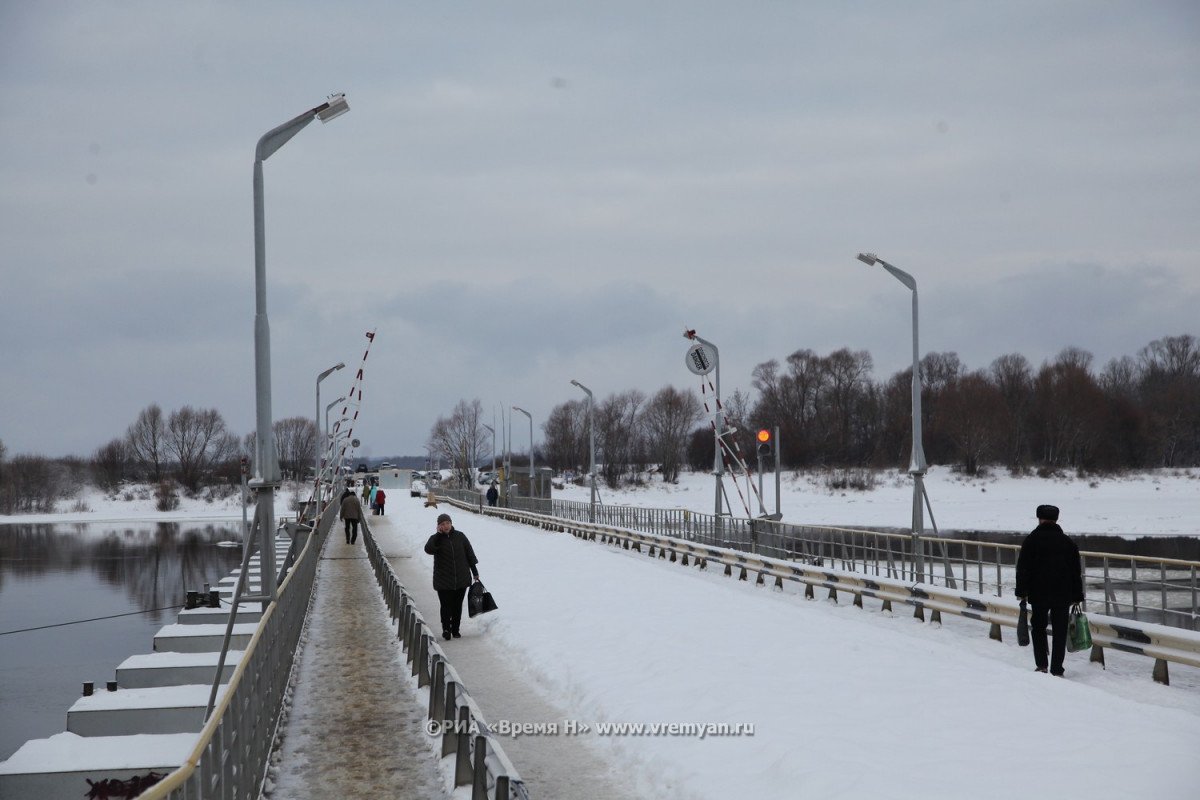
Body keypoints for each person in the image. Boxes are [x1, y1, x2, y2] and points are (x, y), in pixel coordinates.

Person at [1015, 504, 1085, 676]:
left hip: (1038, 593)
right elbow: (1076, 572)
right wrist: (1077, 595)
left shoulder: (1031, 540)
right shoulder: (1068, 543)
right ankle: (1057, 668)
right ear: (1056, 519)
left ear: (1039, 518)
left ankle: (1042, 665)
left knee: (1038, 627)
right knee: (1060, 630)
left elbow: (1023, 568)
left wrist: (1022, 592)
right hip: (1063, 594)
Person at [423, 513, 479, 641]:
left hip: (461, 578)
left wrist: (475, 572)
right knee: (445, 605)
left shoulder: (460, 536)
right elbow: (429, 549)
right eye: (442, 524)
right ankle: (446, 629)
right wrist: (438, 535)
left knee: (457, 605)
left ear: (451, 523)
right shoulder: (435, 538)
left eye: (447, 523)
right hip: (443, 579)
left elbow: (470, 554)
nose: (446, 526)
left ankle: (456, 629)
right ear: (438, 526)